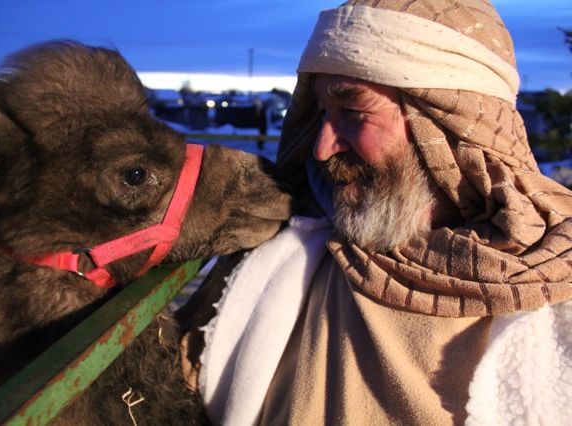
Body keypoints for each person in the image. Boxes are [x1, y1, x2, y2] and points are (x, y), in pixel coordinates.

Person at [177, 0, 572, 424]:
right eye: (321, 115)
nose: (322, 148)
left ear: (443, 127)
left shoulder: (552, 288)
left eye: (352, 113)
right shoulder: (286, 255)